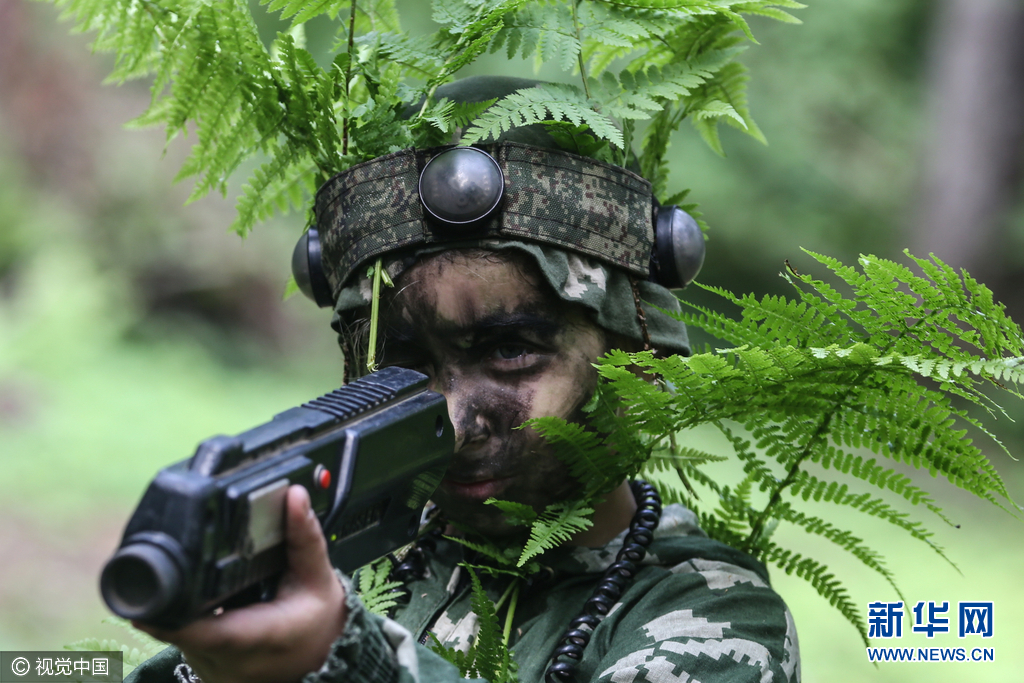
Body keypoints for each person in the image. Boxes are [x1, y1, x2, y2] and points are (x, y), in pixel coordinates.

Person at [128, 77, 801, 683]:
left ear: (637, 352)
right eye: (407, 364)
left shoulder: (711, 611)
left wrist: (340, 656)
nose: (454, 421)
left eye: (511, 350)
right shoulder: (357, 567)